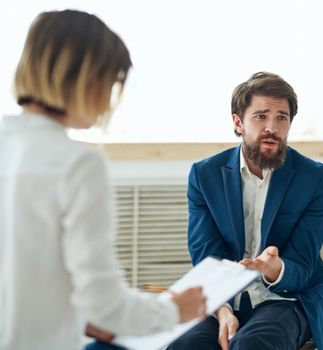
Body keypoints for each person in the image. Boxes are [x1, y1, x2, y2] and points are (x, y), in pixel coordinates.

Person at [0, 10, 206, 350]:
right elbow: (105, 304)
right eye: (112, 84)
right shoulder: (78, 164)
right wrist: (173, 310)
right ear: (87, 78)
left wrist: (82, 318)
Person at [167, 72, 323, 350]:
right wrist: (222, 311)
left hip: (284, 298)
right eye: (261, 116)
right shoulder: (204, 174)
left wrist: (274, 268)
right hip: (219, 297)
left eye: (282, 117)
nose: (272, 127)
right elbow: (205, 256)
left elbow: (304, 266)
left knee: (253, 345)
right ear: (238, 122)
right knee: (187, 345)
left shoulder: (315, 178)